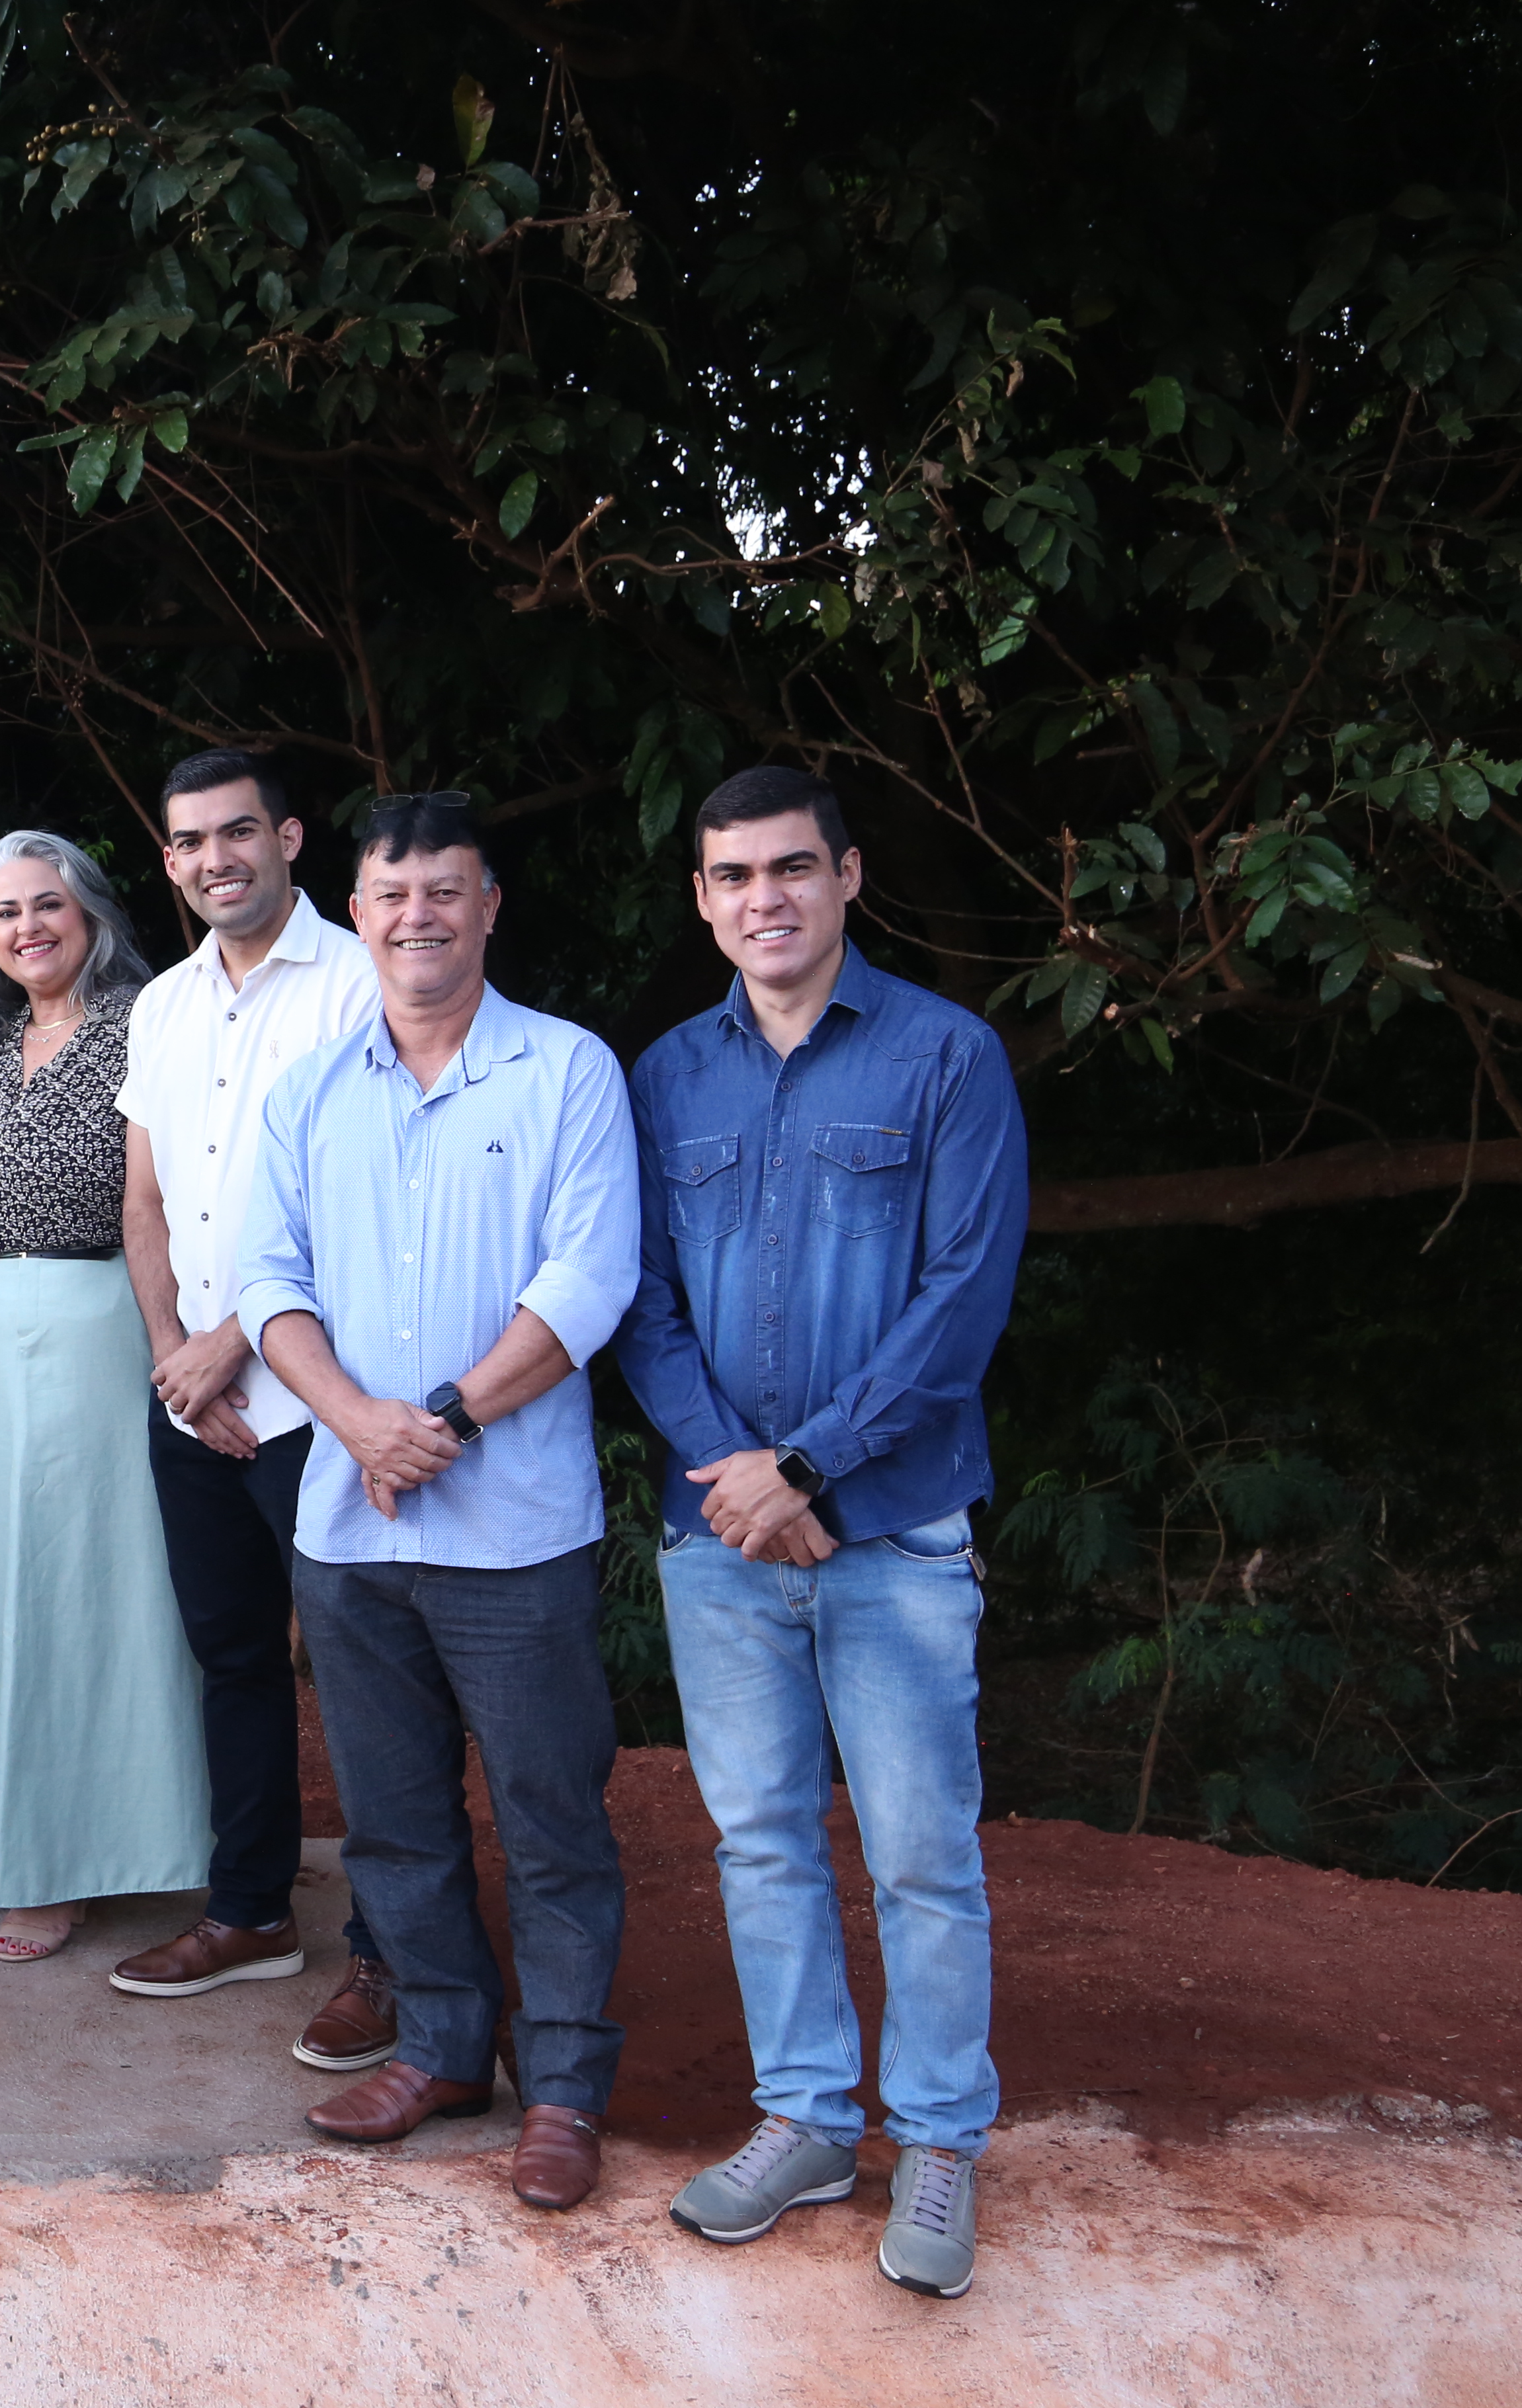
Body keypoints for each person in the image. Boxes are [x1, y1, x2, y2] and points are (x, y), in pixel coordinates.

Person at [615, 766, 1031, 2300]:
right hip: (719, 1538)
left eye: (790, 868)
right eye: (732, 876)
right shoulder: (666, 1076)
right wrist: (737, 1474)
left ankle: (936, 2140)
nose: (763, 899)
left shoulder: (945, 1054)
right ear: (702, 898)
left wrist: (806, 1468)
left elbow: (961, 1299)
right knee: (762, 1842)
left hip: (895, 1531)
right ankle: (802, 2116)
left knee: (921, 1852)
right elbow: (638, 1301)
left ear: (847, 876)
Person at [232, 792, 641, 2214]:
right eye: (394, 895)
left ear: (489, 906)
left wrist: (449, 1419)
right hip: (350, 1527)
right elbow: (267, 1280)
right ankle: (444, 2050)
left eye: (446, 891)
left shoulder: (567, 1071)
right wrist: (355, 1423)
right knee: (395, 1818)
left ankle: (566, 2087)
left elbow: (590, 1280)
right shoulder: (308, 1092)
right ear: (356, 912)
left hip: (513, 1527)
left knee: (550, 1815)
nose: (419, 917)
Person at [112, 749, 394, 2049]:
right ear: (170, 862)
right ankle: (250, 1910)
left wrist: (234, 1344)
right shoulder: (162, 1005)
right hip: (196, 1404)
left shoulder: (360, 982)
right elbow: (146, 1198)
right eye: (190, 842)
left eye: (237, 833)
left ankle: (391, 1951)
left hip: (319, 1400)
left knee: (370, 1676)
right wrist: (175, 1350)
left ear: (288, 839)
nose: (214, 859)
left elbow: (366, 1199)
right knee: (232, 1658)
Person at [0, 832, 203, 1959]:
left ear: (89, 913)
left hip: (104, 1327)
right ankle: (32, 1847)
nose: (27, 928)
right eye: (5, 913)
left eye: (46, 905)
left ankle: (106, 1855)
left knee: (106, 1595)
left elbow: (180, 1194)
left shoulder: (150, 1023)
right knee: (11, 1602)